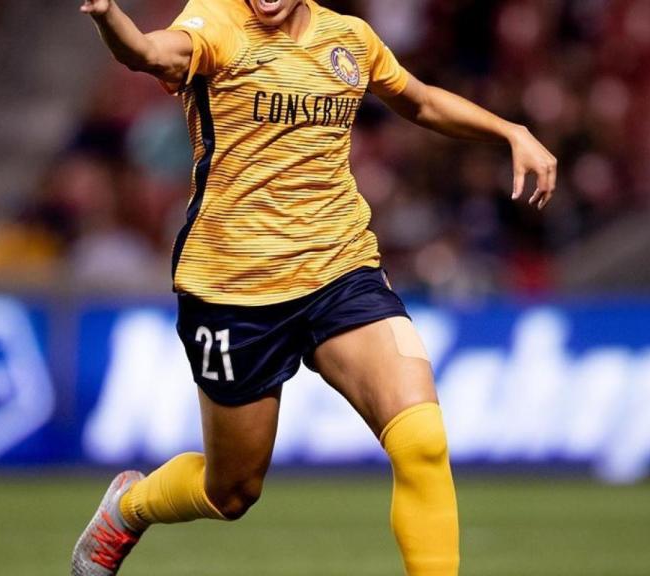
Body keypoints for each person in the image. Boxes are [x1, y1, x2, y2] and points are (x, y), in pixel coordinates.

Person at [71, 1, 557, 575]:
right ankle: (128, 508)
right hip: (234, 289)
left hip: (339, 271)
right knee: (230, 492)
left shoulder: (349, 38)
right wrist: (107, 15)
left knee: (422, 439)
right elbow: (150, 52)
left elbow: (420, 99)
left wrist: (510, 131)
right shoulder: (216, 22)